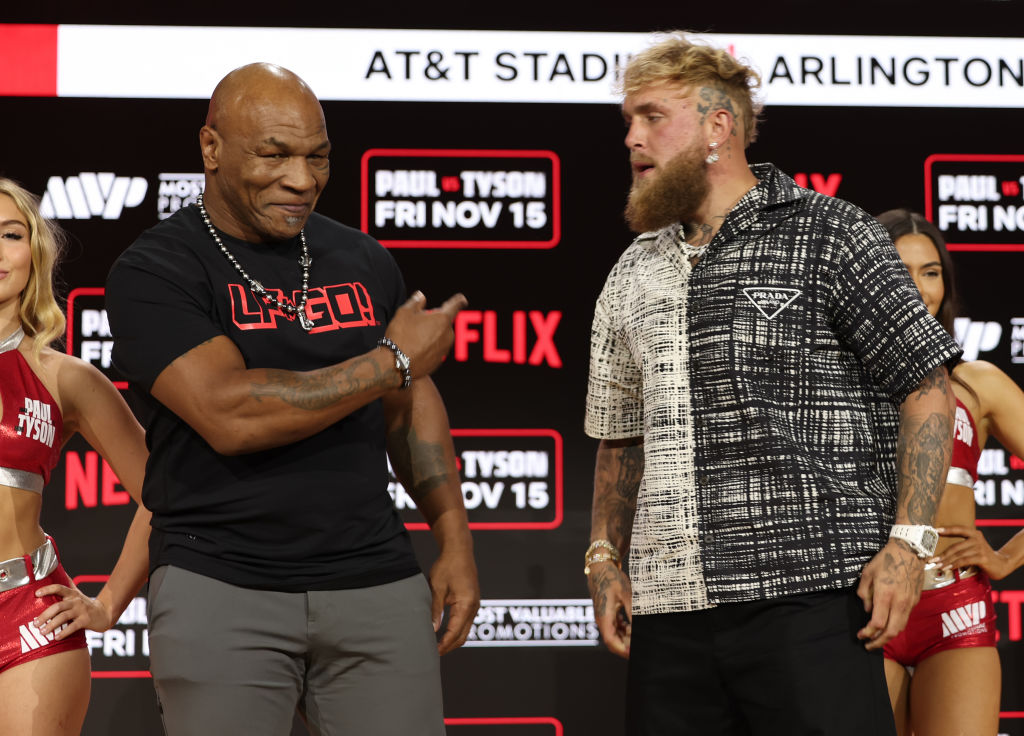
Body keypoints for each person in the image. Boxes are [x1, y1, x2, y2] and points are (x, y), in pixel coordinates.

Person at [583, 32, 963, 735]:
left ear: (717, 125)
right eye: (627, 121)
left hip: (811, 600)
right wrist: (604, 554)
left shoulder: (832, 233)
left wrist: (909, 544)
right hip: (668, 614)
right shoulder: (631, 270)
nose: (632, 137)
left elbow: (926, 386)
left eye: (651, 116)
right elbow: (620, 435)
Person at [104, 62, 479, 736]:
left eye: (318, 156)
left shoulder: (362, 258)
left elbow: (410, 406)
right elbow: (231, 414)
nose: (302, 179)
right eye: (273, 155)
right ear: (211, 148)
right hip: (222, 583)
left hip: (375, 579)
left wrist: (453, 536)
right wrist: (389, 361)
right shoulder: (156, 269)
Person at [0, 177, 151, 735]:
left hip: (27, 619)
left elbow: (167, 492)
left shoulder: (66, 378)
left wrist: (108, 604)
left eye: (11, 235)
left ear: (34, 253)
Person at [879, 208, 1024, 736]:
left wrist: (1007, 556)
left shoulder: (975, 382)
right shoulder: (836, 383)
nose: (918, 287)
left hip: (955, 605)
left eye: (931, 271)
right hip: (863, 608)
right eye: (900, 270)